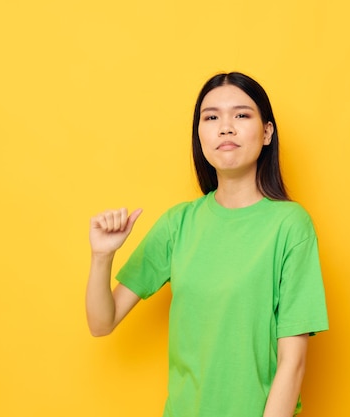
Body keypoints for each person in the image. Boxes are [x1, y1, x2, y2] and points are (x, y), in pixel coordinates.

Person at [86, 72, 328, 417]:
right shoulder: (178, 224)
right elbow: (101, 323)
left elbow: (294, 362)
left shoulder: (290, 226)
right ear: (199, 135)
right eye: (211, 117)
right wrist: (102, 255)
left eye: (241, 115)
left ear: (267, 133)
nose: (225, 127)